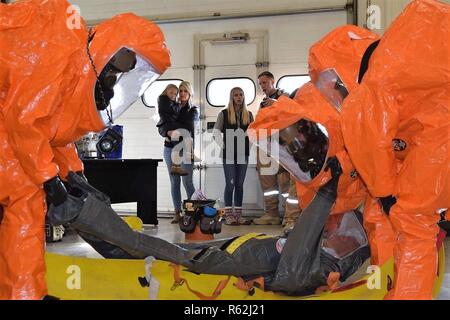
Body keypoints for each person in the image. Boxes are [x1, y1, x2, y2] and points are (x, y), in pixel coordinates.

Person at [0, 0, 170, 299]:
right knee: (24, 196)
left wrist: (72, 172)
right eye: (121, 63)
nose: (115, 78)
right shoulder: (58, 49)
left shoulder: (73, 62)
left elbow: (52, 127)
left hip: (10, 126)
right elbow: (26, 119)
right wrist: (49, 178)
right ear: (108, 46)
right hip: (11, 126)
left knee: (25, 204)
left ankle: (24, 293)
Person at [340, 0, 450, 299]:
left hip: (438, 142)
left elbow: (371, 140)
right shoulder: (418, 53)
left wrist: (386, 193)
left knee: (414, 226)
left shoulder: (376, 81)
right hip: (435, 140)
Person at [253, 71, 302, 233]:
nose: (262, 86)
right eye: (260, 84)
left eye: (265, 83)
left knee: (288, 183)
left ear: (272, 82)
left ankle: (291, 218)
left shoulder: (285, 97)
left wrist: (276, 103)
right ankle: (271, 213)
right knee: (268, 184)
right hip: (267, 146)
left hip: (284, 146)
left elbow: (294, 114)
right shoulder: (263, 103)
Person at [158, 81, 199, 223]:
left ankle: (193, 212)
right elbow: (160, 126)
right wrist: (166, 131)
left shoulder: (193, 110)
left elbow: (187, 127)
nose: (181, 94)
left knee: (187, 182)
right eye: (180, 91)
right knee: (174, 182)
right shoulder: (169, 106)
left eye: (185, 91)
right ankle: (177, 213)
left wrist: (170, 129)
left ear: (189, 94)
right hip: (169, 148)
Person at [213, 87, 254, 225]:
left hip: (243, 153)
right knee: (230, 185)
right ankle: (228, 216)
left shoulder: (249, 114)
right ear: (231, 97)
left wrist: (249, 146)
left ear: (244, 97)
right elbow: (216, 132)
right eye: (236, 95)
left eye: (241, 95)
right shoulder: (223, 114)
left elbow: (253, 133)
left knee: (239, 184)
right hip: (228, 154)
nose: (238, 97)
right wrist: (223, 145)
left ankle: (238, 215)